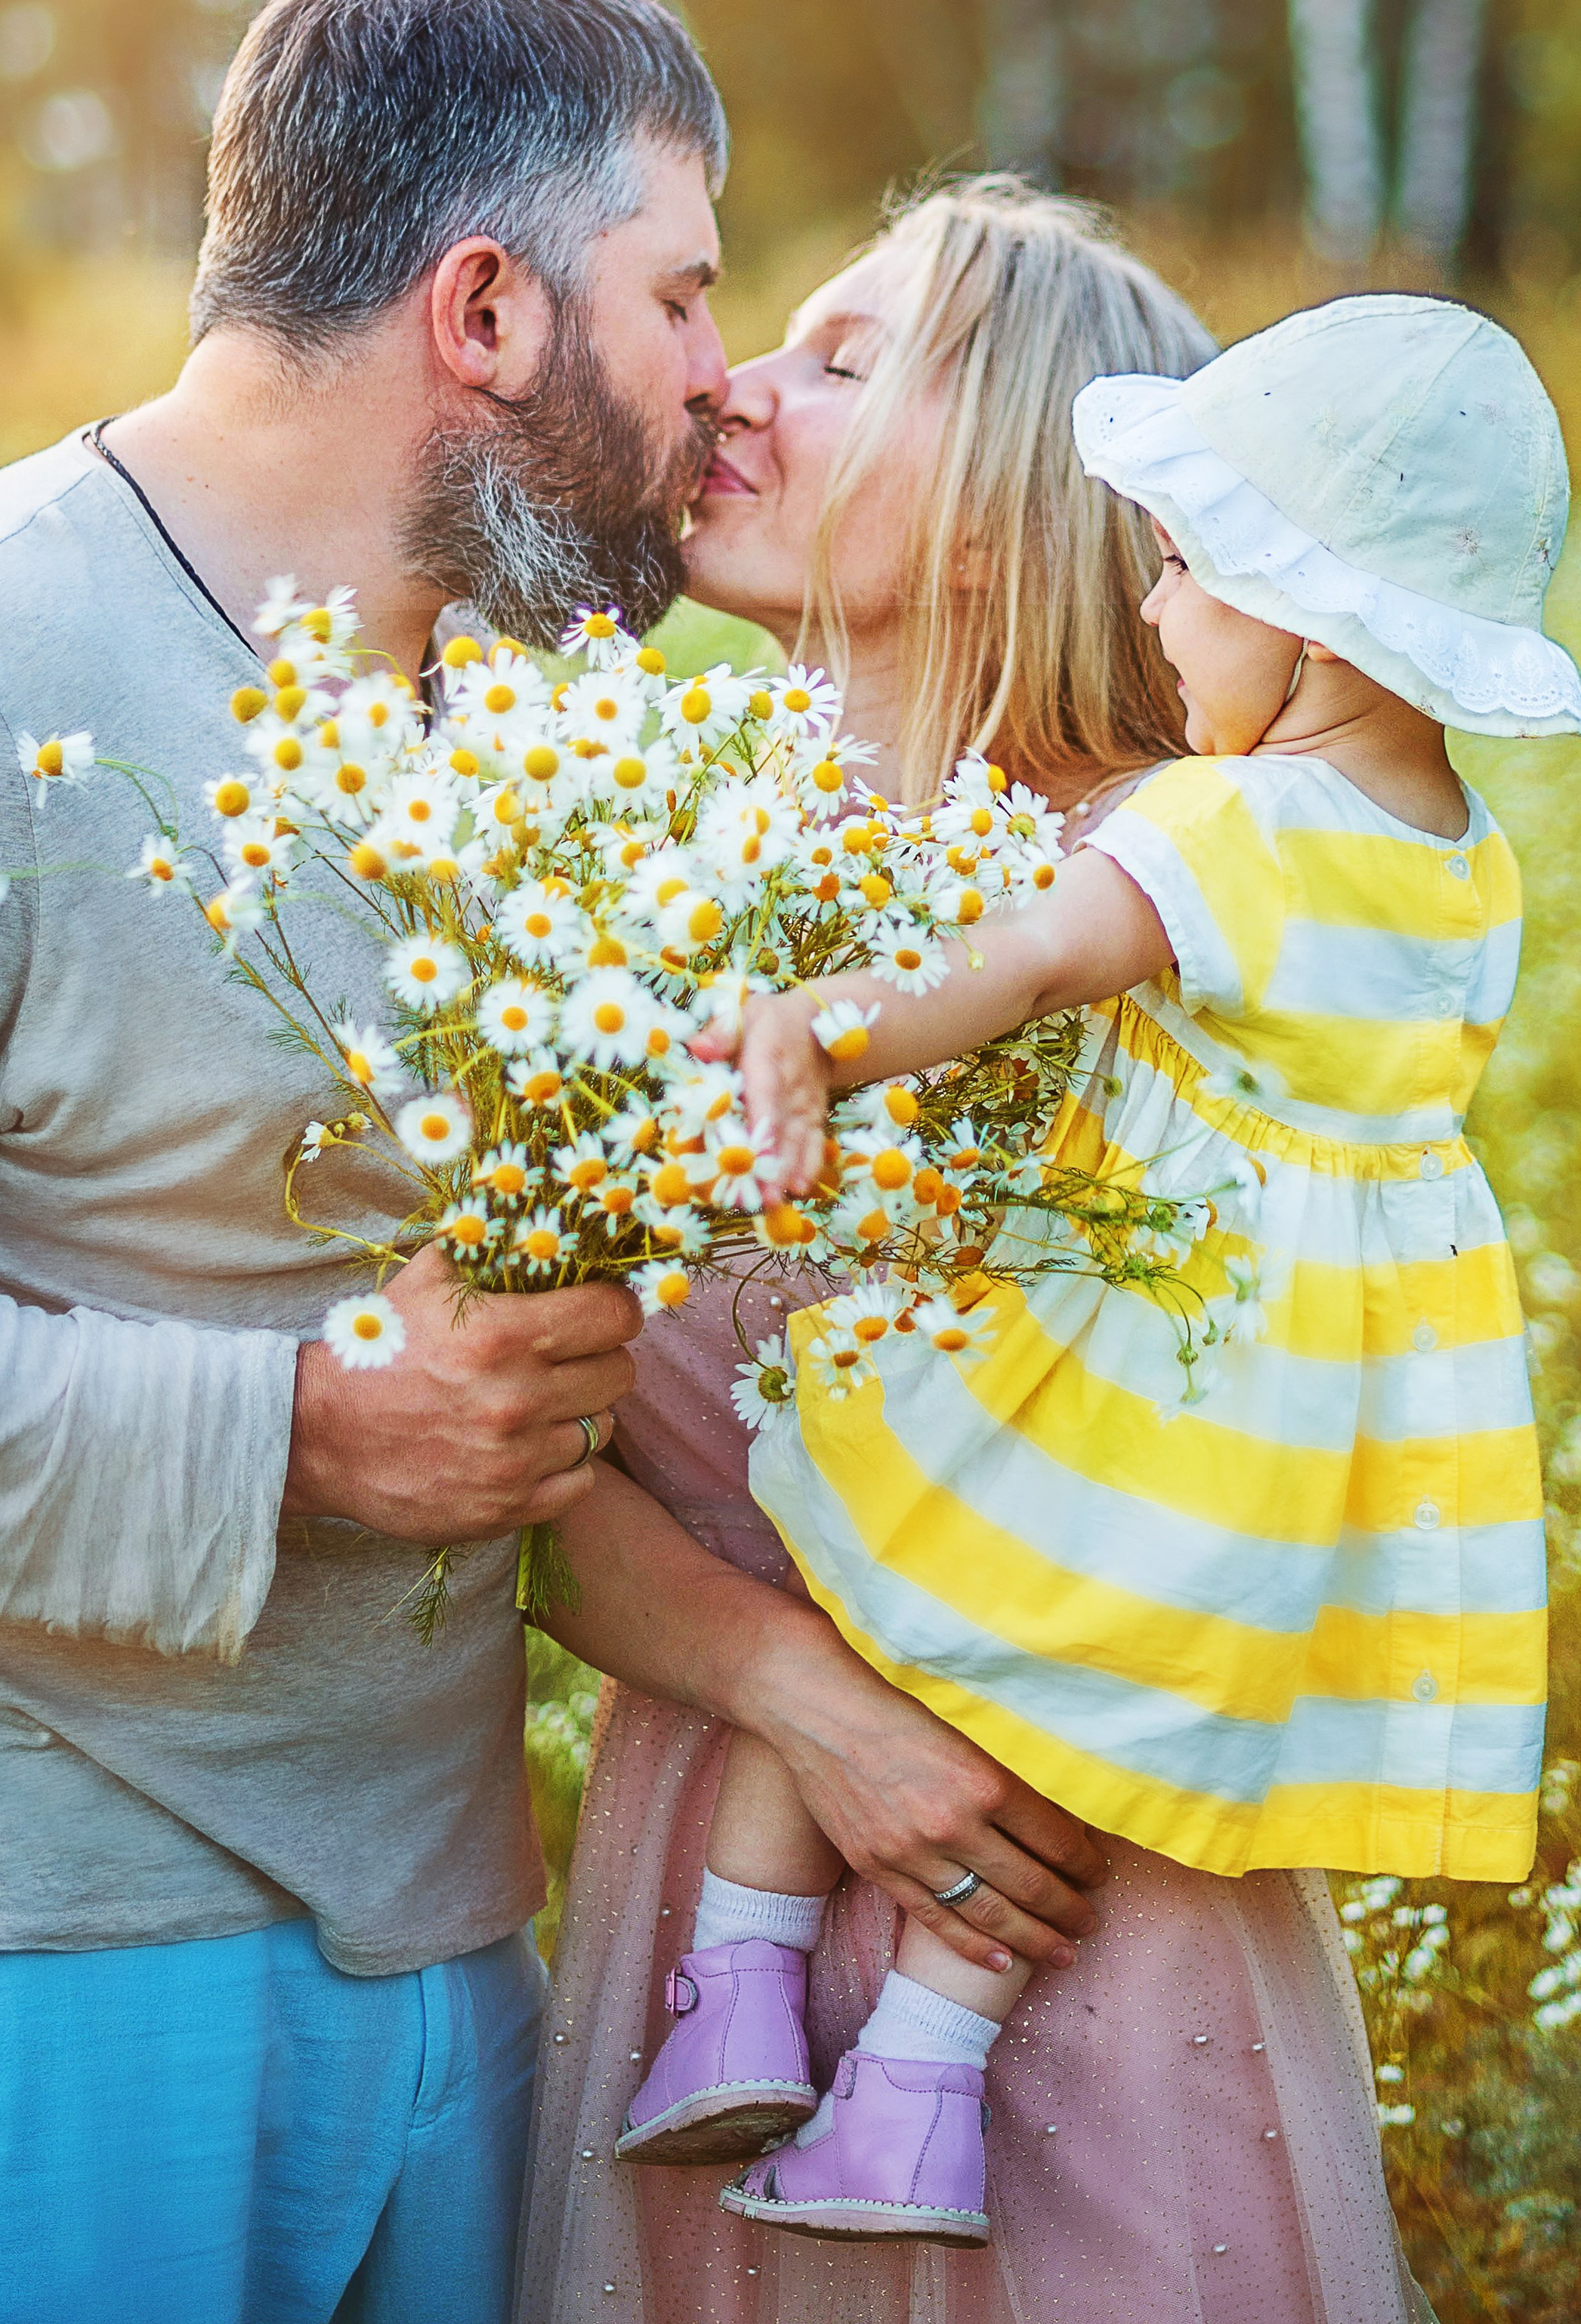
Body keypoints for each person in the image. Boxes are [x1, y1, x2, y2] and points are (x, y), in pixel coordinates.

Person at [0, 0, 730, 2324]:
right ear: (487, 311)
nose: (718, 376)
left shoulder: (497, 711)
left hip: (444, 1939)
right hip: (41, 1962)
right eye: (680, 294)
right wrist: (306, 1439)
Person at [520, 189, 1448, 2322]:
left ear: (1001, 502)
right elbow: (494, 1482)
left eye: (847, 360)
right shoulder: (639, 893)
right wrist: (791, 1693)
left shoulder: (1189, 931)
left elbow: (1299, 1460)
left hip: (1069, 1957)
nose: (735, 382)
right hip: (714, 1962)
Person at [691, 290, 1564, 2245]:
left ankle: (742, 1979)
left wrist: (809, 1032)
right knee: (1104, 1703)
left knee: (874, 1544)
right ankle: (913, 2098)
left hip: (1130, 1360)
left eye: (1185, 574)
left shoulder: (1230, 829)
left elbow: (1016, 969)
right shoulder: (1473, 880)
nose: (1158, 616)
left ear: (1306, 616)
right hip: (1288, 1440)